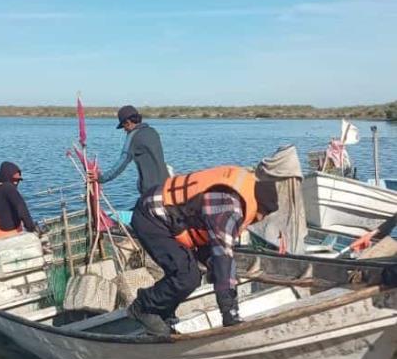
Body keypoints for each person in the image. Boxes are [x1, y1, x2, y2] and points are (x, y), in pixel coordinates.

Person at [126, 165, 280, 337]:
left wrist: (218, 271)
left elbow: (218, 254)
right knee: (187, 276)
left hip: (178, 219)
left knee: (212, 272)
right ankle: (143, 307)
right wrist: (230, 313)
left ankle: (163, 313)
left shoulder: (238, 193)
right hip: (151, 216)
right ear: (259, 211)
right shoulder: (228, 208)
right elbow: (223, 255)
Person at [87, 105, 170, 195]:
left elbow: (122, 163)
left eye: (123, 126)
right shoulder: (153, 132)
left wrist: (101, 178)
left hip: (152, 191)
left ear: (128, 122)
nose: (124, 130)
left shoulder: (133, 136)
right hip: (167, 187)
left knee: (140, 209)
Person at [0, 161, 40, 240]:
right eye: (14, 180)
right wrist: (31, 228)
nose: (16, 183)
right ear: (7, 176)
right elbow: (21, 208)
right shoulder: (9, 188)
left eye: (18, 180)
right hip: (9, 234)